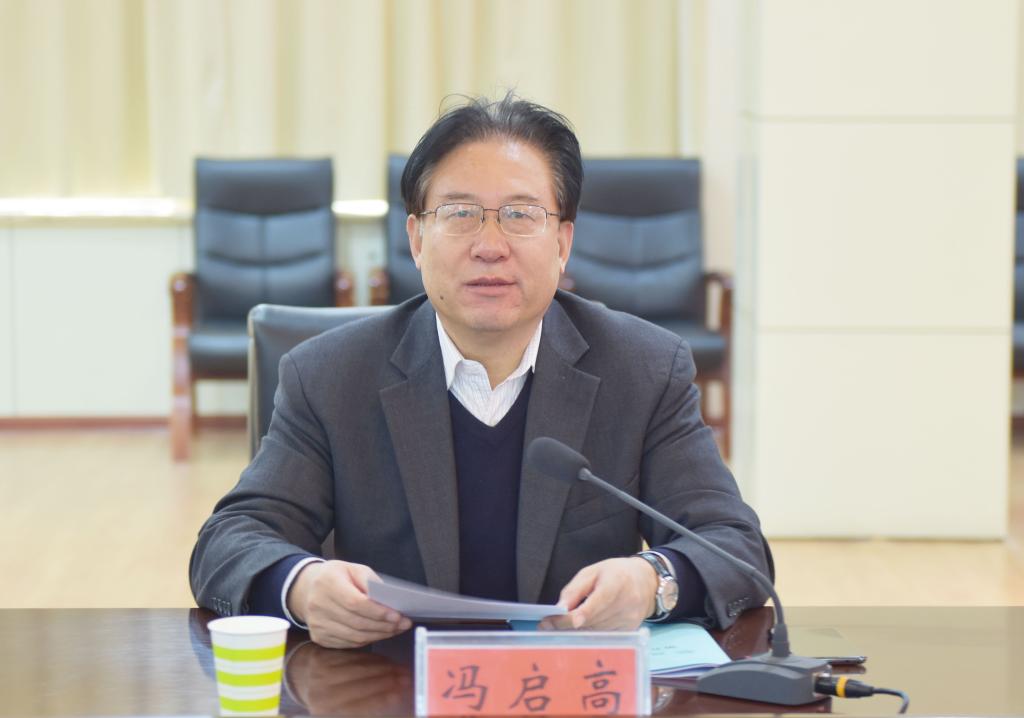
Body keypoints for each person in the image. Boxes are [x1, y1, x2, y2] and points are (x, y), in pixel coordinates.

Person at [189, 93, 772, 649]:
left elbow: (735, 545)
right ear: (417, 239)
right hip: (388, 683)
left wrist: (653, 582)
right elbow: (230, 541)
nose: (490, 246)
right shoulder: (329, 377)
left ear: (562, 243)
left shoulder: (643, 368)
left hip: (569, 684)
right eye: (460, 214)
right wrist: (301, 587)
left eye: (520, 215)